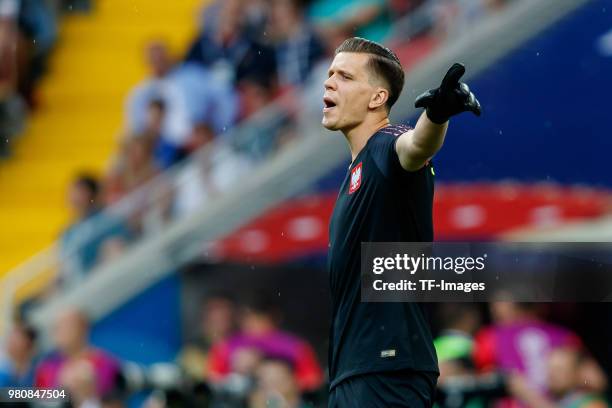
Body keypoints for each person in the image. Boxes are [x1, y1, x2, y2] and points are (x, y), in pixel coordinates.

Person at [323, 37, 480, 407]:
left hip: (386, 372)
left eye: (344, 76)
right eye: (330, 74)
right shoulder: (357, 169)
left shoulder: (384, 145)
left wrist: (437, 115)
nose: (329, 83)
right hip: (356, 374)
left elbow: (414, 147)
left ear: (378, 98)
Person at [35, 308, 123, 399]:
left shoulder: (106, 363)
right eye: (57, 328)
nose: (61, 332)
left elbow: (114, 402)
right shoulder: (47, 368)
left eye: (68, 326)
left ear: (83, 328)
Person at [0, 321, 38, 387]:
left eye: (16, 339)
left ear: (28, 343)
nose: (10, 342)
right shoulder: (4, 372)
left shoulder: (37, 373)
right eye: (10, 337)